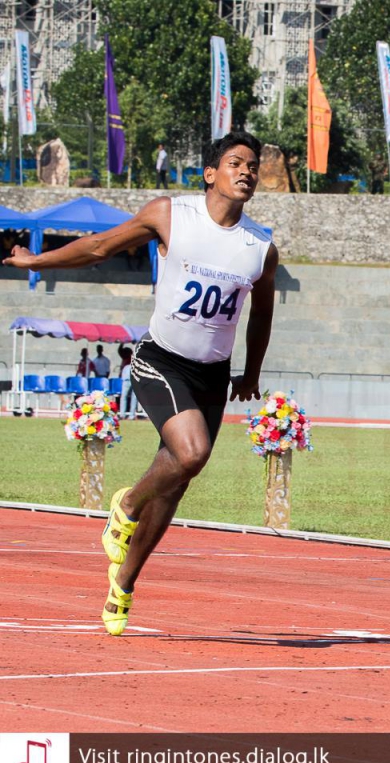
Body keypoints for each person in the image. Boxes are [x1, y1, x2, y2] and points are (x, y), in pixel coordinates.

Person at [5, 131, 279, 636]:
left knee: (175, 483)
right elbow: (99, 246)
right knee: (191, 453)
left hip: (212, 374)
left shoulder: (259, 247)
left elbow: (261, 313)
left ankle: (123, 582)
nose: (246, 172)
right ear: (210, 172)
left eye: (253, 166)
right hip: (161, 360)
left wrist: (252, 371)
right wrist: (34, 262)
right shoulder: (171, 214)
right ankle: (126, 505)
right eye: (235, 162)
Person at [118, 345, 136, 419]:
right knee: (125, 396)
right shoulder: (125, 359)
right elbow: (120, 350)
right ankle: (123, 414)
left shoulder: (132, 358)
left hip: (132, 378)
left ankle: (130, 415)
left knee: (132, 397)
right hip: (127, 378)